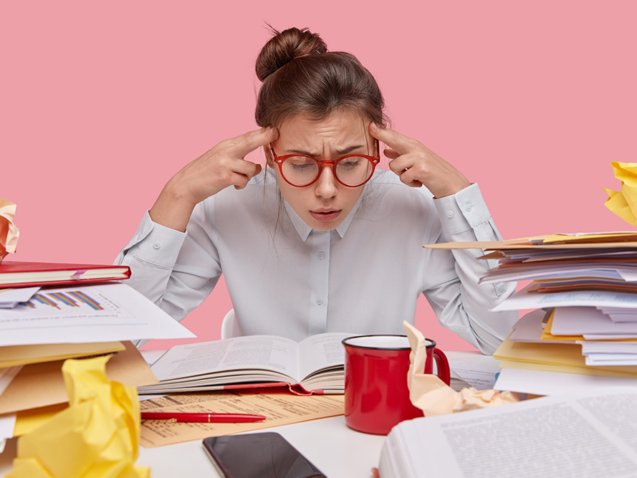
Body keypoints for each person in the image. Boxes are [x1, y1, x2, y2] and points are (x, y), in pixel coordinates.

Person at [116, 26, 518, 354]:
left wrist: (458, 194)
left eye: (350, 162)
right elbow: (117, 342)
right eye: (302, 164)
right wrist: (176, 195)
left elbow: (499, 342)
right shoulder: (227, 207)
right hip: (260, 419)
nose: (327, 189)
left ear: (376, 148)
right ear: (271, 155)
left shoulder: (412, 209)